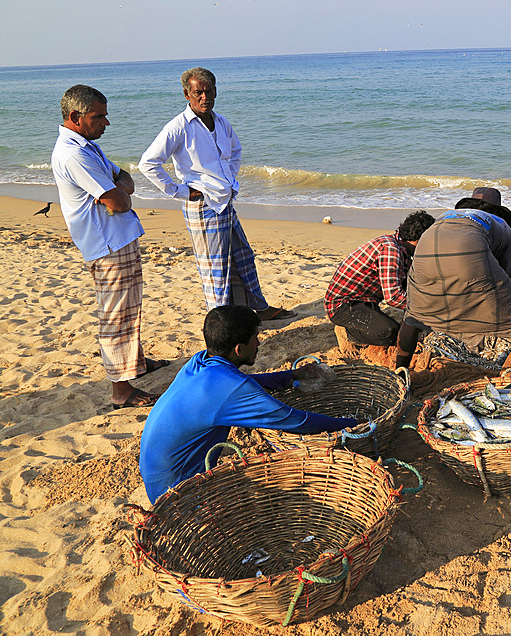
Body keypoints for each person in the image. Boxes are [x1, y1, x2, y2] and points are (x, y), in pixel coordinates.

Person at [139, 305, 355, 503]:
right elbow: (297, 420)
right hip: (175, 494)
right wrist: (351, 424)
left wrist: (290, 376)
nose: (259, 343)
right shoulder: (232, 390)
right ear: (239, 350)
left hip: (156, 475)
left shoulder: (199, 362)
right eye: (256, 338)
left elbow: (243, 385)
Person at [139, 67, 293, 319]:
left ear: (216, 92)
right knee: (215, 269)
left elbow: (235, 152)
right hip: (202, 205)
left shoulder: (221, 123)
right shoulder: (179, 127)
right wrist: (180, 191)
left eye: (208, 91)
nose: (204, 97)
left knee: (242, 257)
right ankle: (220, 322)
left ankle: (258, 309)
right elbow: (148, 163)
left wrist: (230, 181)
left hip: (225, 201)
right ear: (187, 94)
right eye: (198, 92)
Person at [51, 85, 168, 410]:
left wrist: (120, 190)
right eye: (98, 116)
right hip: (106, 245)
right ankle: (121, 391)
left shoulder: (86, 146)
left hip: (116, 239)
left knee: (129, 308)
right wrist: (121, 194)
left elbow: (124, 176)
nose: (106, 122)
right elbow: (118, 200)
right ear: (76, 117)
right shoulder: (74, 153)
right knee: (117, 313)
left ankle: (136, 364)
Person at [395, 187, 511, 369]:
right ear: (498, 211)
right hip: (469, 246)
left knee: (413, 316)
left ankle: (399, 372)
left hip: (427, 243)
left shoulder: (448, 215)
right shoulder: (503, 227)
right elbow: (505, 277)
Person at [324, 211, 435, 346]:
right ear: (414, 237)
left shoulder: (400, 246)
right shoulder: (391, 250)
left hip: (366, 299)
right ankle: (349, 333)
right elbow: (393, 298)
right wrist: (425, 309)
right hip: (344, 305)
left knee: (413, 288)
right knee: (388, 332)